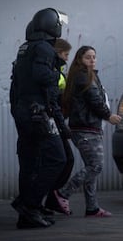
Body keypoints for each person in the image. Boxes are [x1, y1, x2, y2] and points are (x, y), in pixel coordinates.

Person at [9, 8, 71, 229]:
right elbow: (42, 76)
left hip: (23, 112)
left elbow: (16, 84)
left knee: (30, 163)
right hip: (37, 113)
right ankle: (28, 204)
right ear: (52, 26)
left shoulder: (25, 48)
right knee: (57, 158)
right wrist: (60, 75)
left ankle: (27, 216)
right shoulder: (45, 48)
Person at [49, 45, 122, 217]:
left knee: (91, 167)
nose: (92, 60)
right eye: (88, 57)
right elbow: (95, 100)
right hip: (85, 128)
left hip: (88, 127)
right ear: (80, 59)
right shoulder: (82, 76)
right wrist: (108, 116)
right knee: (95, 165)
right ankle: (63, 193)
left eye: (94, 57)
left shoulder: (88, 75)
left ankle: (92, 207)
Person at [44, 38, 75, 213]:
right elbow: (54, 100)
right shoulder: (52, 71)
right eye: (65, 54)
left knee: (65, 160)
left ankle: (51, 198)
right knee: (63, 160)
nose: (67, 58)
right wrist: (63, 126)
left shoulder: (58, 71)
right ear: (57, 53)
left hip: (57, 120)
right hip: (53, 122)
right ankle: (49, 197)